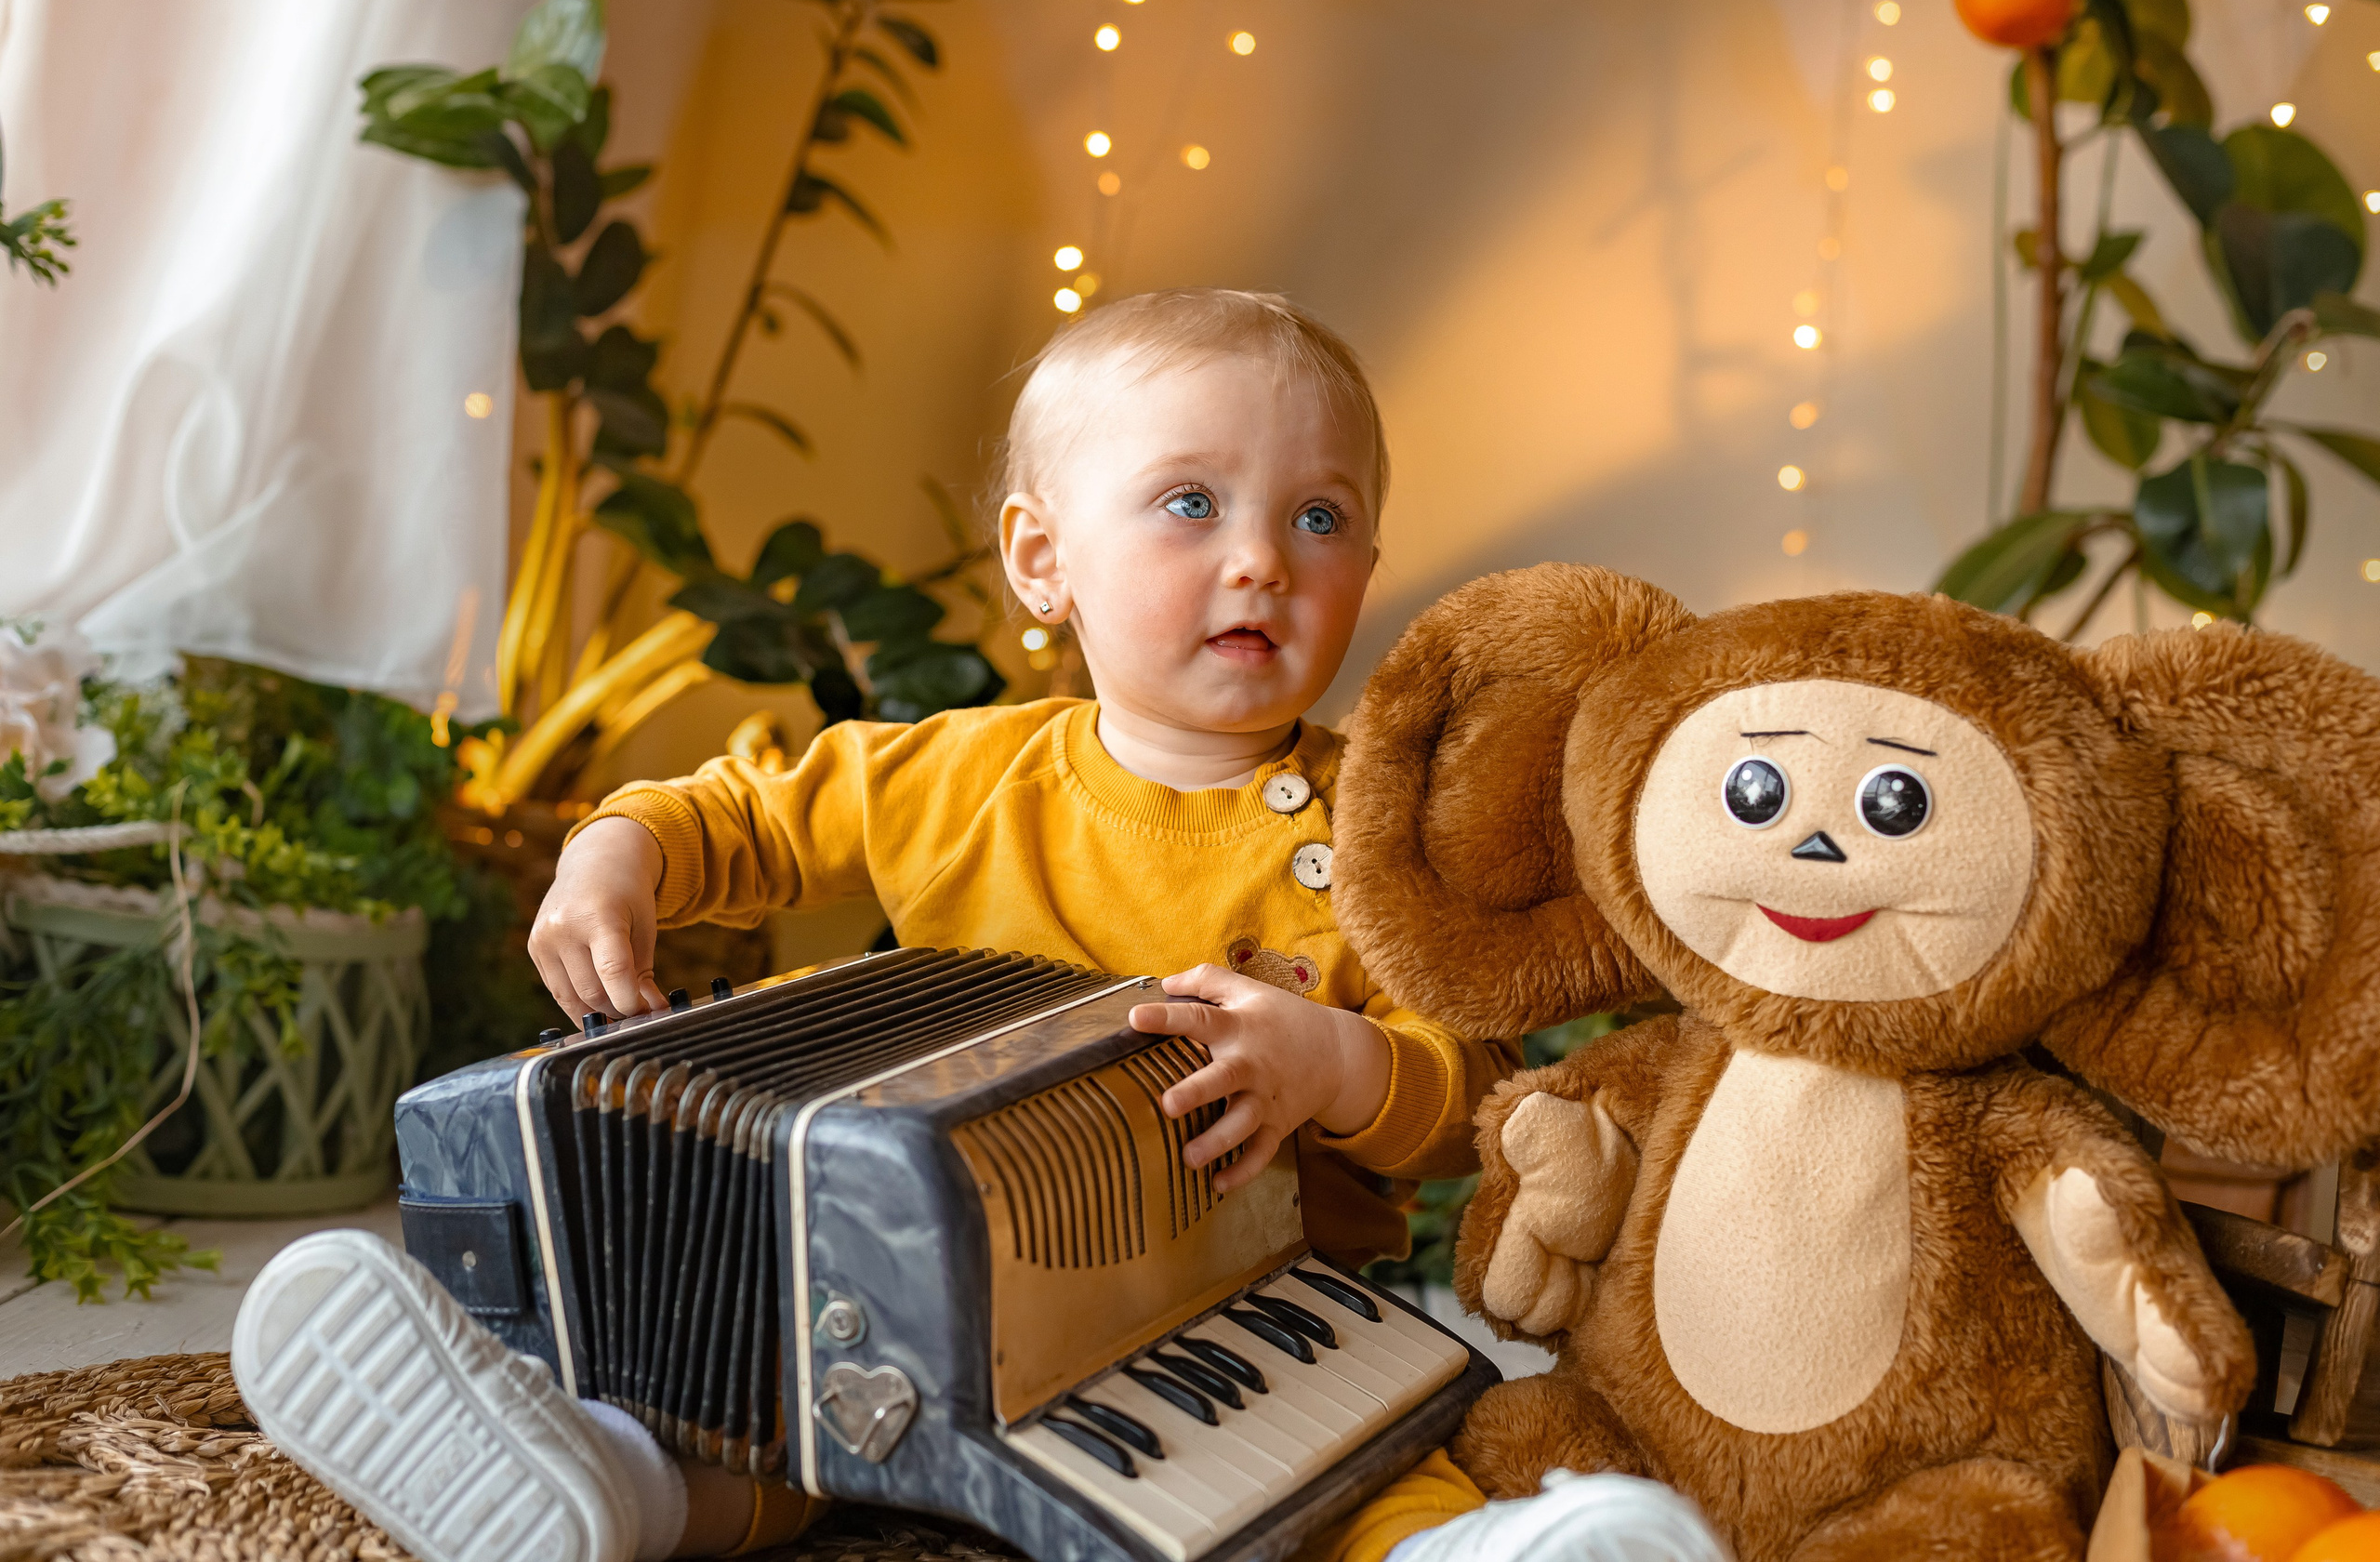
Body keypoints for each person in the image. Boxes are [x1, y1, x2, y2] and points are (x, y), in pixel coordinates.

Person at [230, 288, 1725, 1562]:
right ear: (1041, 558)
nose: (1261, 555)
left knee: (1348, 1462)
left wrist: (1338, 1068)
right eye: (1191, 503)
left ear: (1365, 576)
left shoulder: (1375, 830)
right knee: (759, 1400)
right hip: (904, 1304)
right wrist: (616, 851)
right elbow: (742, 812)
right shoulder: (953, 773)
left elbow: (1475, 1104)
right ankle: (589, 1484)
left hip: (1246, 1306)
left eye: (1318, 516)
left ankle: (1470, 1550)